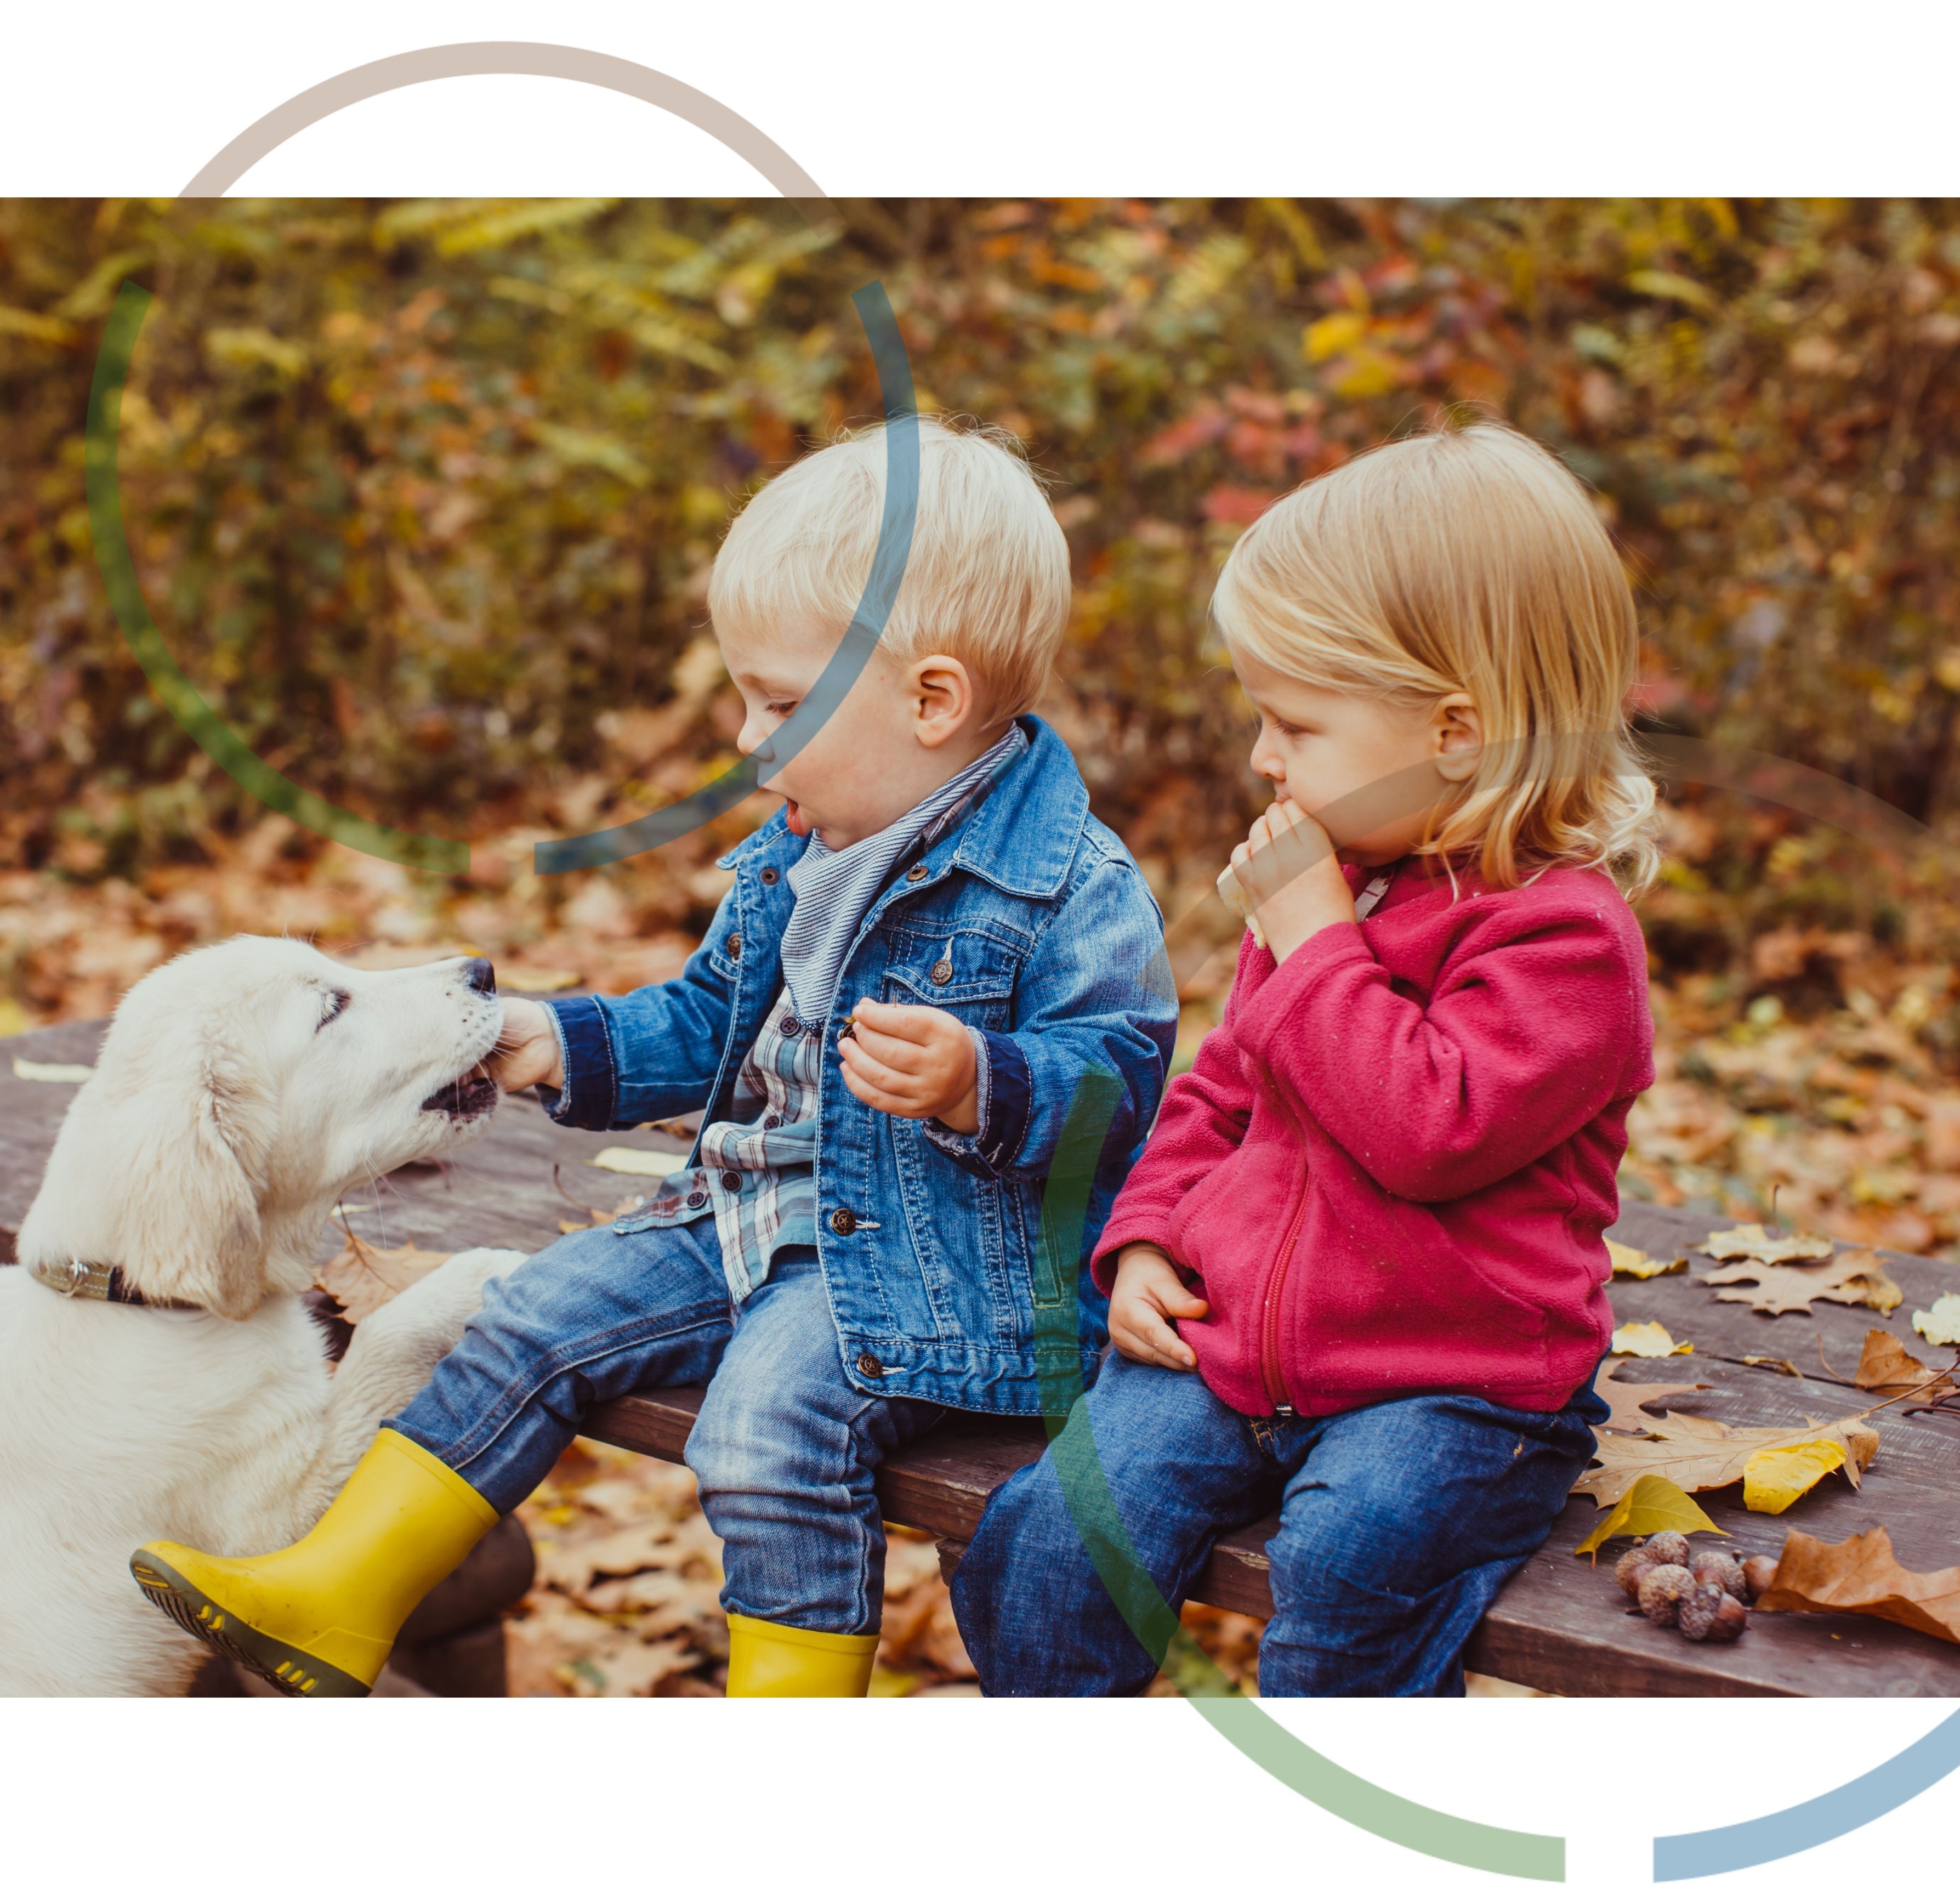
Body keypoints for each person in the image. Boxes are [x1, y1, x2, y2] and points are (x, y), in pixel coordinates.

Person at [130, 415, 1175, 1697]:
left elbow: (1123, 1089)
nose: (746, 736)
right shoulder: (803, 851)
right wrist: (554, 1039)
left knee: (765, 1426)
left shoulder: (1068, 884)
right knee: (529, 1317)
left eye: (781, 703)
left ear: (933, 700)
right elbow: (702, 1026)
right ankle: (342, 1591)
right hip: (742, 1219)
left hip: (918, 1278)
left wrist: (982, 1080)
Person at [951, 418, 1657, 1697]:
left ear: (1456, 729)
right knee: (1053, 1535)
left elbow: (1431, 1130)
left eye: (1297, 724)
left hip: (1457, 1388)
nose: (1262, 759)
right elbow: (1225, 1088)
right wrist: (1151, 1237)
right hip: (1241, 1354)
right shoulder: (1345, 893)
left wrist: (1319, 939)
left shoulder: (1568, 943)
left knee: (1352, 1566)